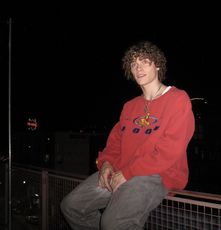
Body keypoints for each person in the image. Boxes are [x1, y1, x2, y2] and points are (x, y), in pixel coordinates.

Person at [60, 40, 195, 230]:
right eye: (133, 64)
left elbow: (169, 151)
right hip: (121, 170)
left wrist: (128, 173)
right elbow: (115, 143)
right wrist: (106, 163)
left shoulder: (178, 99)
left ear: (157, 64)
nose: (138, 67)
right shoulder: (130, 106)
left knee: (113, 223)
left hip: (156, 174)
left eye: (144, 61)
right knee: (72, 205)